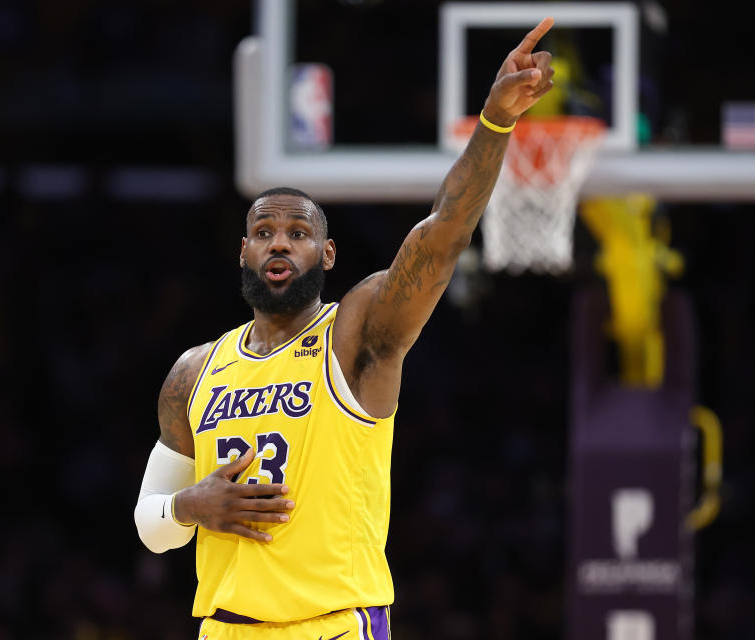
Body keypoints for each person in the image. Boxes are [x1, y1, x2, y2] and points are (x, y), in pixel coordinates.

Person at [134, 18, 557, 639]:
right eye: (265, 234)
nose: (280, 244)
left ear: (327, 255)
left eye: (299, 234)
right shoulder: (193, 372)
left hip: (330, 625)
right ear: (243, 252)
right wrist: (190, 508)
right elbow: (151, 525)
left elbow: (439, 238)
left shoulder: (357, 335)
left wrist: (494, 122)